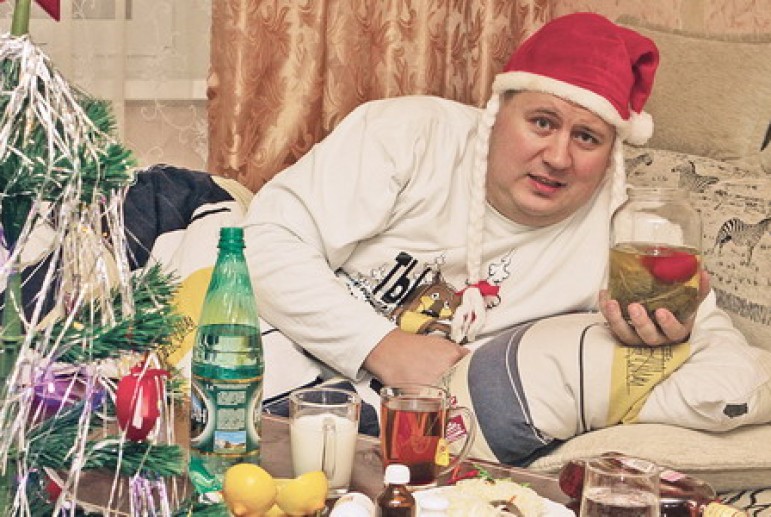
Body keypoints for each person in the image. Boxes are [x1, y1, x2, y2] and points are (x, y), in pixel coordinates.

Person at [243, 12, 771, 459]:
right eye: (542, 122)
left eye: (587, 137)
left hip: (411, 435)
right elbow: (263, 241)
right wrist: (377, 345)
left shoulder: (630, 234)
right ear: (496, 114)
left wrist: (664, 348)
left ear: (613, 153)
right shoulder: (409, 134)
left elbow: (733, 372)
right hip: (282, 360)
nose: (558, 157)